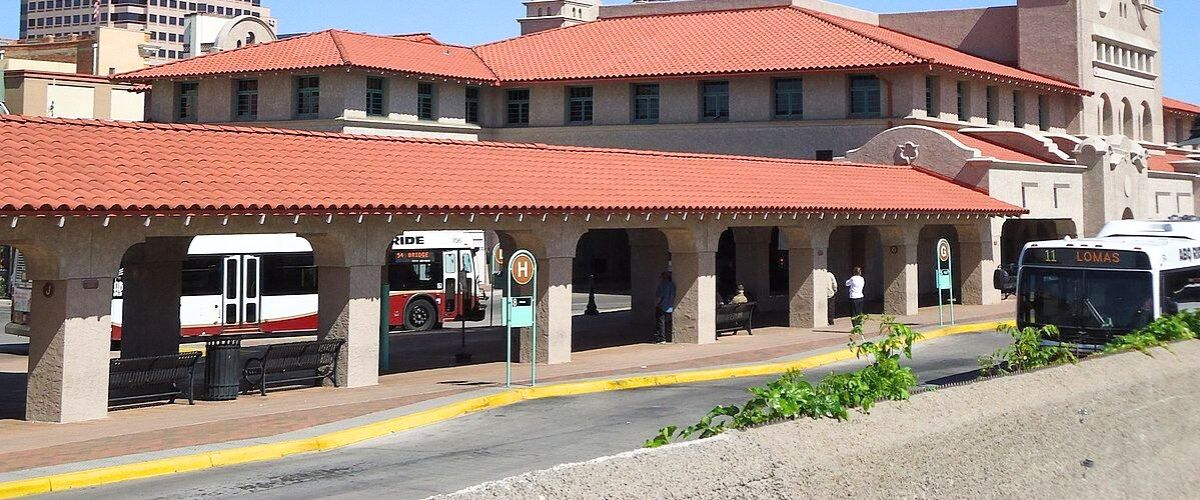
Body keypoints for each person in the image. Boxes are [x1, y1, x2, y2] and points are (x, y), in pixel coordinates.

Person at [653, 271, 676, 344]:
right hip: (670, 306)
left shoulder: (662, 285)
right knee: (668, 323)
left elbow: (659, 297)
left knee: (660, 323)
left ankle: (661, 338)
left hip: (662, 306)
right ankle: (668, 337)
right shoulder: (672, 285)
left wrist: (656, 304)